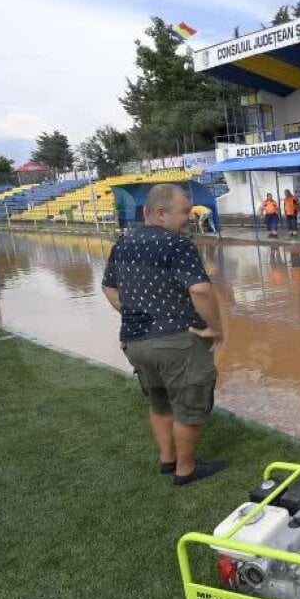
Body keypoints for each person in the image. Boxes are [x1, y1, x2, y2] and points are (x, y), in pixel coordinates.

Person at [100, 184, 226, 486]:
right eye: (184, 212)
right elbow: (201, 290)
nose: (189, 218)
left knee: (159, 403)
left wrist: (135, 315)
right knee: (189, 408)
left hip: (135, 343)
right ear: (159, 212)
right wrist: (215, 328)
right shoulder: (177, 244)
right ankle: (186, 470)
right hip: (177, 343)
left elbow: (109, 288)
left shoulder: (123, 243)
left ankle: (167, 460)